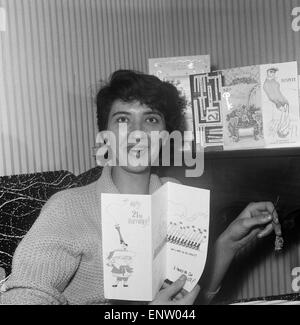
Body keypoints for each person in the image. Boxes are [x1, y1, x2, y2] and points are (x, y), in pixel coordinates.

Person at [0, 70, 280, 305]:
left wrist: (228, 242)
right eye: (123, 119)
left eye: (151, 119)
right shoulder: (69, 208)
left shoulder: (176, 195)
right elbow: (23, 296)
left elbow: (190, 299)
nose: (137, 132)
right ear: (104, 136)